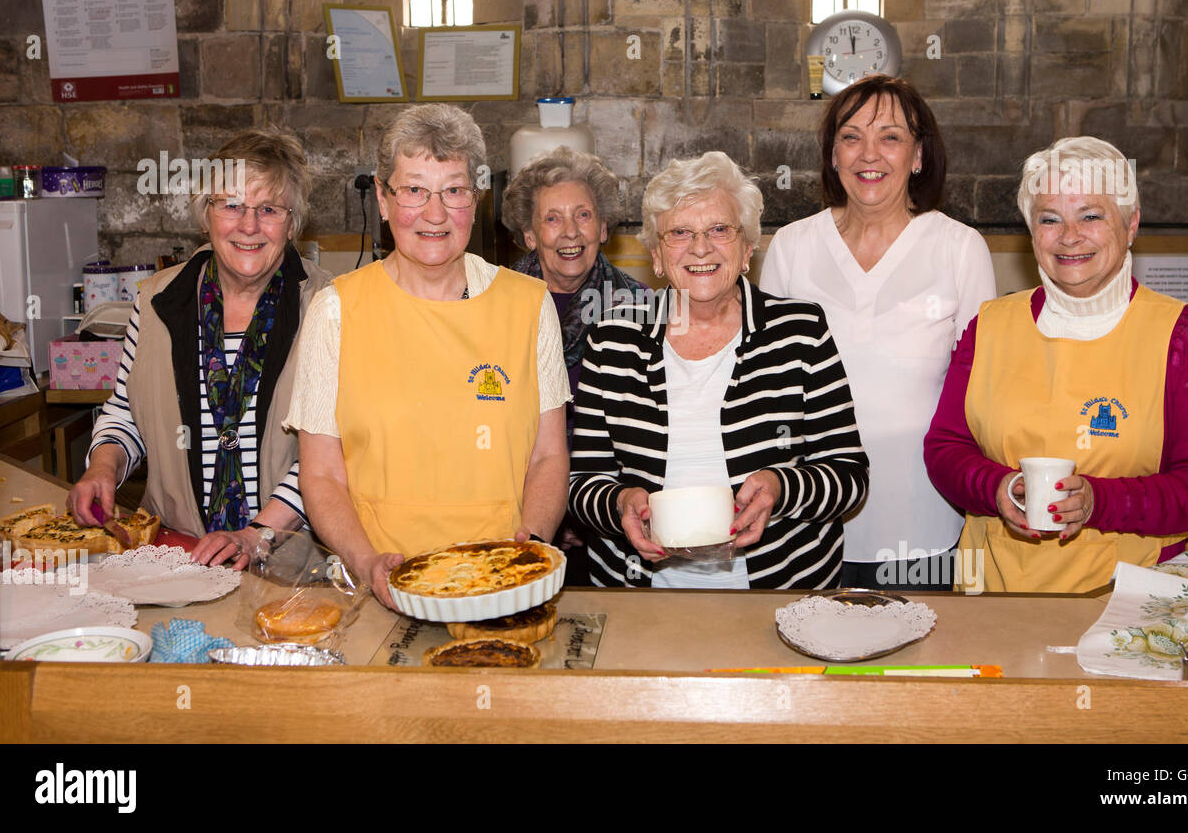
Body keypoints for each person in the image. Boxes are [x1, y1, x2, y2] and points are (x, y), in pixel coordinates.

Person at [923, 136, 1188, 593]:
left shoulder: (1181, 336)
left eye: (1091, 216)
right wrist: (996, 487)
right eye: (1049, 219)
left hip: (1129, 598)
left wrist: (1100, 501)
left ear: (1131, 224)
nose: (1069, 237)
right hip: (992, 595)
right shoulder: (989, 326)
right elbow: (945, 448)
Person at [286, 104, 570, 609]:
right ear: (383, 196)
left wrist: (529, 545)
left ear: (476, 198)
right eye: (415, 189)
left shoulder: (529, 305)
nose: (435, 214)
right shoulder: (336, 310)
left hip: (501, 586)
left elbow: (548, 457)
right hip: (374, 591)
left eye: (454, 191)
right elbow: (322, 473)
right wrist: (367, 562)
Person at [569, 151, 869, 589]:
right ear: (656, 255)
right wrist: (619, 502)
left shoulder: (800, 332)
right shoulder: (613, 339)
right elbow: (581, 483)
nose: (700, 247)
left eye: (719, 229)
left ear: (747, 247)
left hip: (779, 593)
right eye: (679, 233)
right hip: (640, 598)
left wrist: (781, 487)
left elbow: (848, 472)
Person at [761, 74, 995, 591]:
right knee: (806, 668)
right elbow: (765, 389)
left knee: (916, 667)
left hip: (923, 524)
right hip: (806, 524)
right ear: (832, 155)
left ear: (917, 156)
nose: (870, 153)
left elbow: (982, 392)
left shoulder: (959, 248)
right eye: (851, 136)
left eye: (890, 136)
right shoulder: (792, 247)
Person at [69, 128, 332, 569]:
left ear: (292, 223)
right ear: (205, 214)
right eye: (231, 205)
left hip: (289, 566)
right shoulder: (156, 301)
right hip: (175, 556)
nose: (248, 226)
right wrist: (103, 468)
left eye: (268, 209)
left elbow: (332, 448)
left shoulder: (327, 306)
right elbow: (128, 412)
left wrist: (256, 535)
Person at [501, 146, 649, 441]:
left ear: (603, 228)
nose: (571, 232)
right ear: (530, 235)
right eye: (552, 219)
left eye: (583, 215)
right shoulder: (496, 304)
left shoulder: (639, 307)